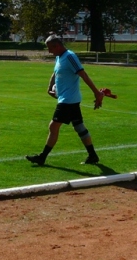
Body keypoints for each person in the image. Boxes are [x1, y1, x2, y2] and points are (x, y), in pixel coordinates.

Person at [26, 35, 104, 166]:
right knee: (79, 127)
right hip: (67, 98)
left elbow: (83, 74)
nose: (49, 51)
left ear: (57, 46)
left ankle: (42, 157)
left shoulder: (70, 56)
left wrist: (97, 93)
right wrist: (49, 87)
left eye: (50, 48)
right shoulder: (59, 57)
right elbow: (55, 73)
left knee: (53, 126)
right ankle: (93, 155)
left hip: (68, 100)